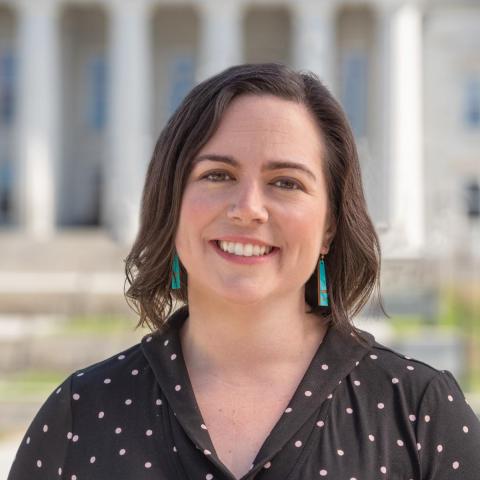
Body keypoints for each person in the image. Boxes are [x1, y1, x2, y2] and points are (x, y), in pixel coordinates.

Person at [8, 63, 480, 480]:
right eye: (218, 175)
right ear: (171, 202)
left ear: (330, 226)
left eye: (285, 182)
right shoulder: (79, 415)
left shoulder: (420, 414)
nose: (248, 208)